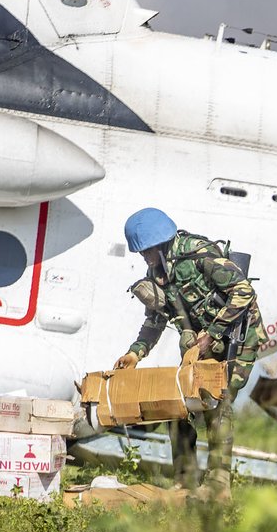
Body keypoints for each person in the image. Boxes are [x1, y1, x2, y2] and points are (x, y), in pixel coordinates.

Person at [113, 207, 267, 501]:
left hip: (238, 337)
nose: (144, 258)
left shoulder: (199, 254)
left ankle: (220, 484)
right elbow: (155, 320)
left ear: (159, 244)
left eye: (146, 252)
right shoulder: (158, 272)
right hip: (202, 344)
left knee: (216, 401)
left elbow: (244, 292)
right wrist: (135, 353)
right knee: (179, 405)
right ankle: (185, 481)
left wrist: (213, 332)